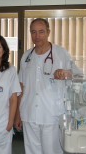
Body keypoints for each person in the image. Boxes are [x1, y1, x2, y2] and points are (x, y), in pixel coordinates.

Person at [14, 18, 72, 154]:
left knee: (51, 151)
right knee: (32, 151)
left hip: (51, 114)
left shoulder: (61, 53)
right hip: (28, 113)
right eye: (33, 32)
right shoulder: (26, 56)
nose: (37, 36)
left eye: (41, 32)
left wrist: (65, 73)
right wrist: (18, 115)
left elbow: (76, 75)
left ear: (48, 32)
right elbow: (21, 87)